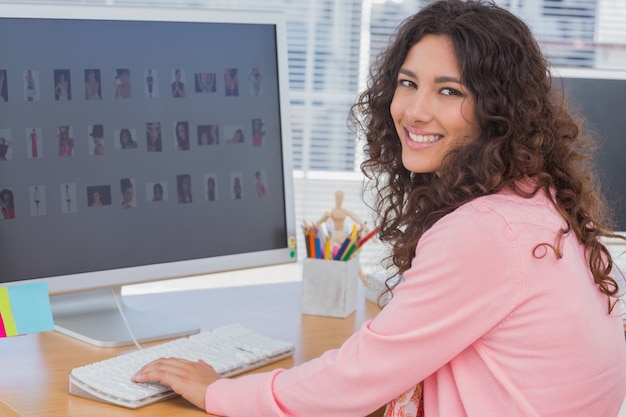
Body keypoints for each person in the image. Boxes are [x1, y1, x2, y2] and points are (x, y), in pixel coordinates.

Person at [132, 2, 626, 416]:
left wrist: (217, 392)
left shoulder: (487, 230)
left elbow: (354, 380)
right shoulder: (535, 204)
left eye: (449, 91)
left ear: (500, 112)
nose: (414, 110)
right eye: (408, 83)